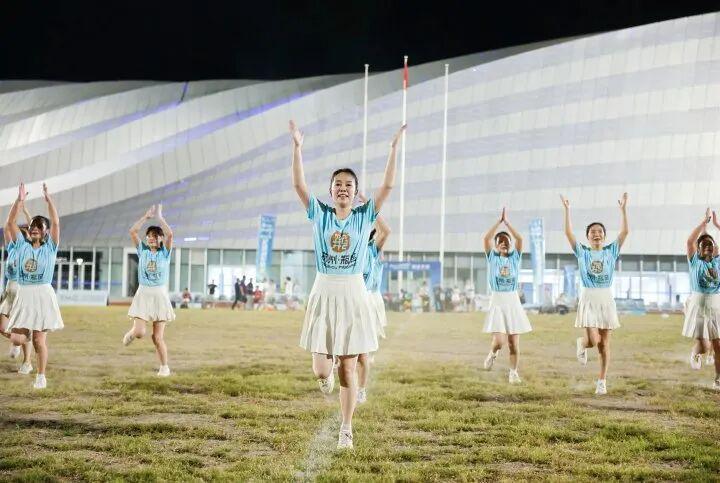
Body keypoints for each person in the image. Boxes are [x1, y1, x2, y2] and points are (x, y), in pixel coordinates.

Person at [291, 119, 405, 449]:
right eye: (338, 184)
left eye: (349, 185)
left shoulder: (364, 216)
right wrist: (297, 148)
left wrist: (393, 149)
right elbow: (299, 185)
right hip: (324, 290)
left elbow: (387, 187)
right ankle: (324, 375)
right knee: (320, 370)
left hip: (354, 292)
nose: (343, 188)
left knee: (348, 367)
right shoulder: (320, 214)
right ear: (331, 191)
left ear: (356, 193)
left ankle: (346, 429)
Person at [561, 192, 629, 395]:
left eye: (600, 231)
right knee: (593, 340)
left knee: (604, 344)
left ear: (604, 236)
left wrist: (623, 210)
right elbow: (568, 233)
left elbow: (625, 232)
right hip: (589, 297)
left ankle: (602, 381)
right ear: (588, 236)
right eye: (593, 232)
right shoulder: (582, 252)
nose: (596, 234)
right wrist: (567, 210)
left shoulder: (611, 251)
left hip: (606, 298)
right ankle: (582, 343)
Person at [5, 183, 64, 389]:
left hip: (42, 294)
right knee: (17, 338)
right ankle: (25, 340)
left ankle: (41, 376)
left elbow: (56, 222)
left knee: (39, 341)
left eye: (40, 226)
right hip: (24, 293)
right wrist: (19, 201)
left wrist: (49, 200)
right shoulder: (21, 245)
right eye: (33, 226)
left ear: (45, 232)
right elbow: (10, 222)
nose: (35, 228)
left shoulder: (50, 248)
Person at [123, 204, 176, 377]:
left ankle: (164, 367)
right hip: (144, 293)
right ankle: (131, 334)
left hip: (160, 295)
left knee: (157, 337)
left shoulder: (165, 253)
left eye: (154, 236)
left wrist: (160, 218)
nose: (151, 239)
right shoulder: (143, 251)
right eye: (149, 236)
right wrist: (145, 217)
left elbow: (170, 234)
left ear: (160, 239)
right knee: (140, 332)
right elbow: (132, 231)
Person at [481, 208, 532, 384]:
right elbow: (486, 239)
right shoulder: (492, 258)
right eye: (500, 241)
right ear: (496, 245)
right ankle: (492, 353)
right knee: (499, 342)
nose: (504, 243)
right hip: (497, 300)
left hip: (513, 301)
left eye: (506, 241)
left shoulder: (515, 258)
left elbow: (520, 239)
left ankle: (513, 372)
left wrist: (507, 223)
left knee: (513, 343)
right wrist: (499, 222)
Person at [357, 193, 390, 404]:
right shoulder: (352, 248)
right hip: (349, 296)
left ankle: (361, 388)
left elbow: (385, 231)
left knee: (364, 349)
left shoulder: (373, 249)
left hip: (369, 299)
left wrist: (370, 206)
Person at [682, 208, 720, 390]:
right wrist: (703, 224)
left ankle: (718, 379)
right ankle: (696, 353)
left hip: (715, 306)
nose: (707, 246)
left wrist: (717, 226)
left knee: (718, 345)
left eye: (710, 244)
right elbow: (690, 241)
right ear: (698, 249)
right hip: (698, 305)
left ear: (715, 248)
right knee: (704, 346)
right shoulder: (694, 261)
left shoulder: (718, 261)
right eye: (703, 244)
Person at [1, 202, 33, 374]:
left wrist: (25, 211)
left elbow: (33, 228)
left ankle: (27, 362)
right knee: (2, 328)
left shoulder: (31, 250)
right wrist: (17, 205)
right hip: (9, 292)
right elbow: (7, 225)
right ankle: (17, 341)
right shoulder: (12, 247)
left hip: (23, 293)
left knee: (23, 327)